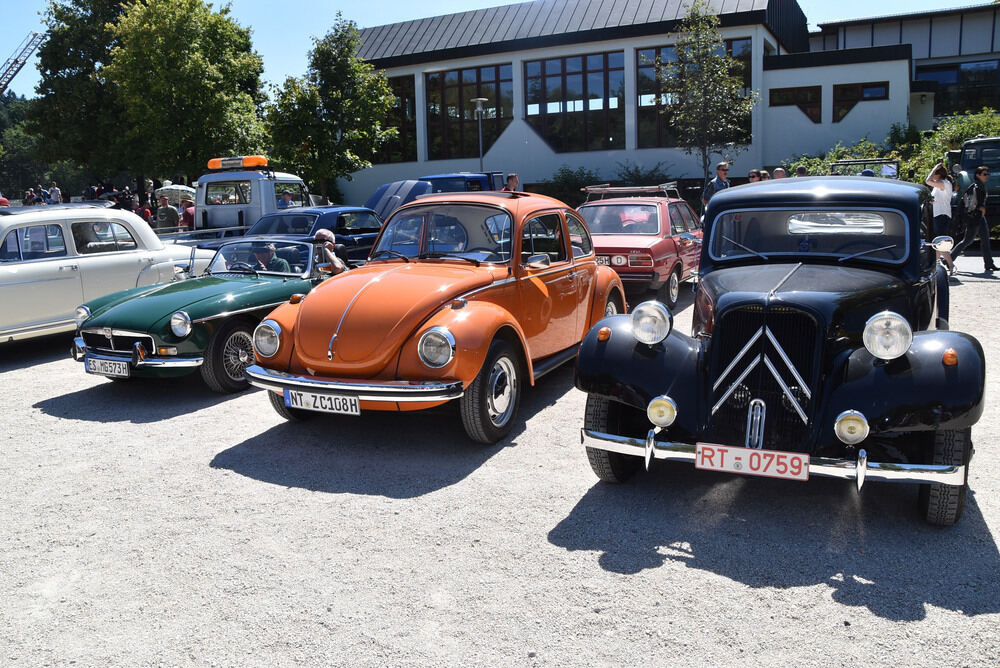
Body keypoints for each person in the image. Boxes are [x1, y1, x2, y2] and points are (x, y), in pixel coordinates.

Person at [952, 165, 998, 272]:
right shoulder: (976, 187)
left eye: (988, 174)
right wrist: (980, 208)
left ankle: (989, 264)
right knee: (967, 241)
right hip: (975, 217)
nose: (987, 176)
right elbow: (971, 204)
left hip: (979, 217)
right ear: (978, 175)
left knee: (985, 240)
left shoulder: (980, 186)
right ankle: (949, 258)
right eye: (984, 174)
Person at [925, 160, 956, 272]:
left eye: (934, 174)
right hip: (938, 214)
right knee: (937, 242)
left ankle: (950, 265)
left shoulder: (944, 183)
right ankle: (937, 265)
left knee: (939, 243)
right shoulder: (940, 185)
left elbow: (927, 181)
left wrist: (934, 168)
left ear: (939, 174)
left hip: (942, 215)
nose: (933, 176)